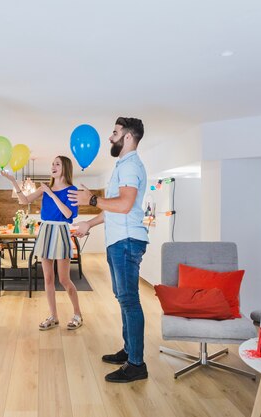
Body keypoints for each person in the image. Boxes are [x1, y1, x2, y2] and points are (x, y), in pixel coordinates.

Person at [68, 117, 149, 383]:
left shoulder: (130, 166)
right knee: (123, 297)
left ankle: (136, 364)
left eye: (115, 133)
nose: (110, 137)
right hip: (120, 240)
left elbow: (124, 205)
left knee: (129, 300)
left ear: (128, 137)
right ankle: (129, 352)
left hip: (126, 241)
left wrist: (91, 199)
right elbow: (113, 209)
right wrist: (88, 223)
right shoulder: (123, 166)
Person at [1, 156, 83, 330]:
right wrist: (14, 182)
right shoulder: (44, 188)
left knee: (64, 279)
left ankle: (77, 314)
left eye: (57, 164)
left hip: (61, 231)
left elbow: (68, 214)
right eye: (52, 163)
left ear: (65, 168)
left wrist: (52, 194)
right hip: (45, 230)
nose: (53, 166)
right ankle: (53, 316)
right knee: (48, 278)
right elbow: (24, 201)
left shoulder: (71, 190)